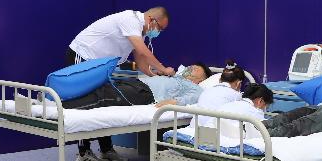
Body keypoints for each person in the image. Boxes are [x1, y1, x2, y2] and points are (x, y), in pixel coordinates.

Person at [66, 7, 174, 161]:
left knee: (104, 103)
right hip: (83, 55)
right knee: (86, 101)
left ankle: (106, 149)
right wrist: (164, 69)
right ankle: (83, 153)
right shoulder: (130, 20)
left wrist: (153, 74)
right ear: (151, 20)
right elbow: (143, 51)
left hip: (101, 65)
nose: (159, 32)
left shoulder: (140, 32)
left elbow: (140, 59)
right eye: (160, 28)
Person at [197, 84, 274, 161]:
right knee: (249, 159)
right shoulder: (255, 112)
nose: (264, 109)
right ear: (260, 101)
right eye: (266, 105)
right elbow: (260, 134)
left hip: (202, 140)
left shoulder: (230, 104)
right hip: (218, 145)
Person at [62, 63, 212, 111]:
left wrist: (173, 102)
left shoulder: (197, 88)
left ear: (202, 79)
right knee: (101, 87)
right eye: (191, 66)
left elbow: (191, 98)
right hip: (137, 84)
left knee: (104, 95)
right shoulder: (175, 77)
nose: (191, 67)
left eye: (196, 68)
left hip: (145, 93)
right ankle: (61, 102)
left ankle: (61, 109)